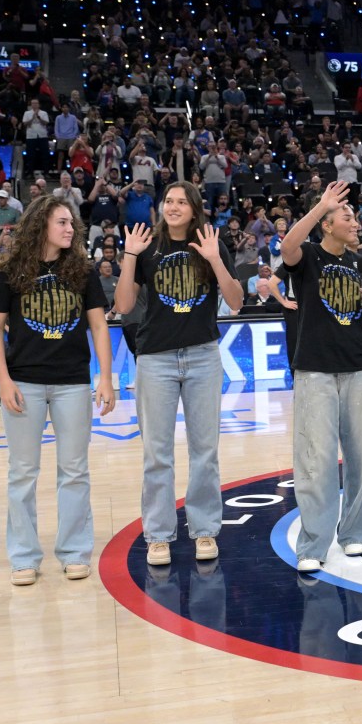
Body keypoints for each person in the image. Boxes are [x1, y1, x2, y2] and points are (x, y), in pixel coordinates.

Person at [0, 196, 116, 585]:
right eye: (62, 222)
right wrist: (4, 380)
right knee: (22, 472)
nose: (70, 229)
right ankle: (24, 557)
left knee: (74, 471)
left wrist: (105, 377)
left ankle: (75, 551)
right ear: (41, 224)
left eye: (71, 224)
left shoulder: (82, 270)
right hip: (23, 381)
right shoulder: (10, 271)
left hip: (72, 382)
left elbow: (98, 326)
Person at [113, 182, 244, 566]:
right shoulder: (147, 246)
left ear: (194, 208)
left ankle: (204, 531)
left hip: (204, 355)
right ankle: (158, 536)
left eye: (181, 201)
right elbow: (122, 305)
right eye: (168, 201)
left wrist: (215, 259)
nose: (173, 207)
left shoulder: (210, 241)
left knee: (205, 451)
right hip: (155, 359)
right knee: (157, 454)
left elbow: (235, 303)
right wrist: (129, 257)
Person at [279, 181, 362, 572]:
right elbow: (287, 248)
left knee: (359, 458)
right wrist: (320, 202)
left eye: (354, 216)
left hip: (357, 365)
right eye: (347, 216)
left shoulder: (359, 263)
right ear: (326, 224)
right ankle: (313, 544)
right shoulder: (307, 255)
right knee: (315, 460)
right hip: (316, 370)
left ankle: (354, 534)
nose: (356, 222)